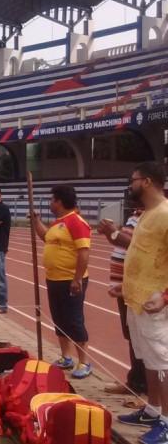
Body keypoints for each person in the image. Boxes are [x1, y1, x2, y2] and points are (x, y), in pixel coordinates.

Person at [115, 162, 168, 444]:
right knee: (148, 360)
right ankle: (152, 409)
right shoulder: (148, 214)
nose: (130, 185)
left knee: (162, 363)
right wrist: (123, 286)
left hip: (154, 301)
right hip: (136, 299)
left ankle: (167, 422)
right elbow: (142, 253)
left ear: (146, 182)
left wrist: (165, 297)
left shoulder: (165, 214)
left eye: (132, 180)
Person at [31, 185, 92, 379]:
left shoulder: (76, 222)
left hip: (71, 280)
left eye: (52, 200)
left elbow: (83, 252)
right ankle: (66, 357)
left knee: (74, 319)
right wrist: (36, 221)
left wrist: (77, 279)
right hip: (54, 278)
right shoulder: (59, 223)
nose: (50, 203)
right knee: (59, 318)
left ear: (59, 201)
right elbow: (45, 237)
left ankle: (84, 361)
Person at [97, 208, 147, 398]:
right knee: (132, 337)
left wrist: (115, 232)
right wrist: (112, 234)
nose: (130, 185)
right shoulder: (137, 214)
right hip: (126, 286)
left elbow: (143, 247)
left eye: (135, 179)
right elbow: (122, 245)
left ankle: (146, 392)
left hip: (140, 287)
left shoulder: (154, 215)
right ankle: (136, 382)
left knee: (145, 340)